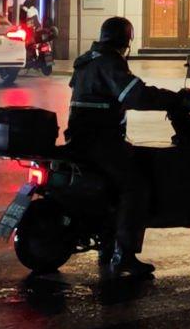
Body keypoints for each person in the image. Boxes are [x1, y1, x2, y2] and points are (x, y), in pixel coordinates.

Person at [66, 15, 181, 280]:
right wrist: (174, 100)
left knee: (113, 187)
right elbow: (135, 95)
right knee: (135, 186)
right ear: (124, 41)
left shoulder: (87, 60)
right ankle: (125, 255)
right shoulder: (109, 62)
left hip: (81, 138)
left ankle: (108, 246)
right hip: (100, 141)